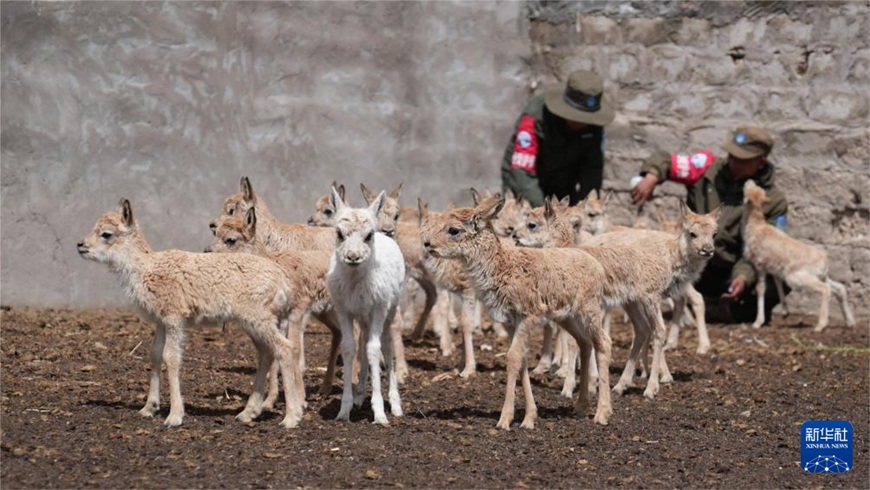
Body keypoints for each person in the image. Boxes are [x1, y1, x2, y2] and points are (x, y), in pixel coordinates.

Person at [631, 125, 789, 325]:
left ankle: (718, 307)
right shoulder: (706, 169)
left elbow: (765, 248)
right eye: (731, 155)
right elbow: (665, 160)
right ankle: (700, 305)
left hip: (729, 267)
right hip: (694, 260)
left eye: (742, 160)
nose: (733, 162)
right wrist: (651, 177)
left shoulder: (772, 201)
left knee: (776, 281)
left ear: (760, 162)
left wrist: (743, 276)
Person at [500, 70, 615, 208]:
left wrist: (586, 208)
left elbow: (592, 170)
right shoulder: (535, 116)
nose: (582, 123)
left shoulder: (594, 126)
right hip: (525, 181)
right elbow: (522, 170)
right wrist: (541, 209)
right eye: (576, 117)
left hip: (563, 182)